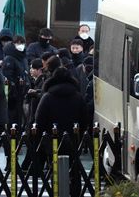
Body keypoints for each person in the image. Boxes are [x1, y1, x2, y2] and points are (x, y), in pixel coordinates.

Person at [35, 67, 87, 197]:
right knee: (74, 168)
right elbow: (85, 118)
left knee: (55, 168)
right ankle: (75, 192)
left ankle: (56, 192)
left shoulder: (47, 97)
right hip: (73, 140)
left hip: (53, 140)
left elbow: (39, 119)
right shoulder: (78, 97)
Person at [2, 35, 30, 129]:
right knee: (13, 117)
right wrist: (12, 90)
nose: (20, 45)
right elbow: (7, 76)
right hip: (13, 94)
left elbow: (25, 73)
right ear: (13, 44)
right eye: (18, 43)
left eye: (22, 43)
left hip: (23, 92)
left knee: (21, 117)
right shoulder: (9, 58)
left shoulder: (23, 58)